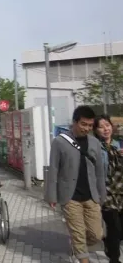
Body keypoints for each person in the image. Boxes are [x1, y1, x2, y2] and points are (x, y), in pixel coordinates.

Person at [46, 106, 106, 263]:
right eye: (83, 124)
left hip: (91, 196)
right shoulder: (59, 142)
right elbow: (53, 169)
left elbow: (99, 171)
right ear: (74, 122)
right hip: (70, 196)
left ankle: (77, 244)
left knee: (96, 234)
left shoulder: (94, 143)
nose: (87, 128)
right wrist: (51, 195)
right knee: (79, 234)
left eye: (90, 125)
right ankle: (80, 251)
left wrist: (102, 195)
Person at [93, 114, 123, 263]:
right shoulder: (95, 147)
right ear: (96, 130)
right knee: (114, 227)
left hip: (120, 191)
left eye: (107, 125)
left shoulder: (118, 144)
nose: (105, 129)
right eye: (101, 126)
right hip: (106, 192)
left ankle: (108, 243)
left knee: (119, 231)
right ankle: (114, 259)